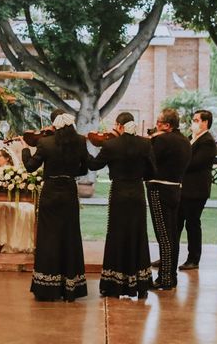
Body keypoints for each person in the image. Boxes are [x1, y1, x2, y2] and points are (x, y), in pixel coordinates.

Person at [21, 109, 89, 302]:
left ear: (54, 124)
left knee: (49, 237)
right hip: (69, 191)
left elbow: (30, 166)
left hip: (50, 192)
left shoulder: (45, 142)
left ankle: (47, 288)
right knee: (70, 236)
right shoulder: (80, 141)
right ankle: (71, 288)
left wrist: (25, 148)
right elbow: (84, 168)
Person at [88, 112, 156, 299]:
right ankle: (141, 285)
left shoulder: (111, 145)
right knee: (138, 235)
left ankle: (114, 285)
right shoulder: (145, 144)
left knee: (117, 235)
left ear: (119, 126)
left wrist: (84, 150)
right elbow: (152, 171)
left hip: (118, 192)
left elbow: (94, 165)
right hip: (137, 192)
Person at [147, 108, 191, 290]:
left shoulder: (162, 140)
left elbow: (149, 161)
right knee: (172, 235)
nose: (156, 125)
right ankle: (171, 276)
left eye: (159, 122)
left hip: (159, 188)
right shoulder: (185, 141)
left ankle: (164, 278)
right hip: (175, 189)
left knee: (163, 236)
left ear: (167, 125)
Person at [177, 110, 216, 271]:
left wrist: (179, 160)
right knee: (176, 224)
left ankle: (193, 258)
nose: (193, 123)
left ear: (205, 122)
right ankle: (168, 256)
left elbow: (195, 163)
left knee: (192, 224)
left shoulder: (207, 141)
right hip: (183, 189)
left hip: (196, 190)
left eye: (196, 120)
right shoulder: (191, 139)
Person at [0, 148, 35, 253]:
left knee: (25, 210)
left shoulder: (13, 172)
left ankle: (12, 243)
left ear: (7, 158)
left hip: (11, 200)